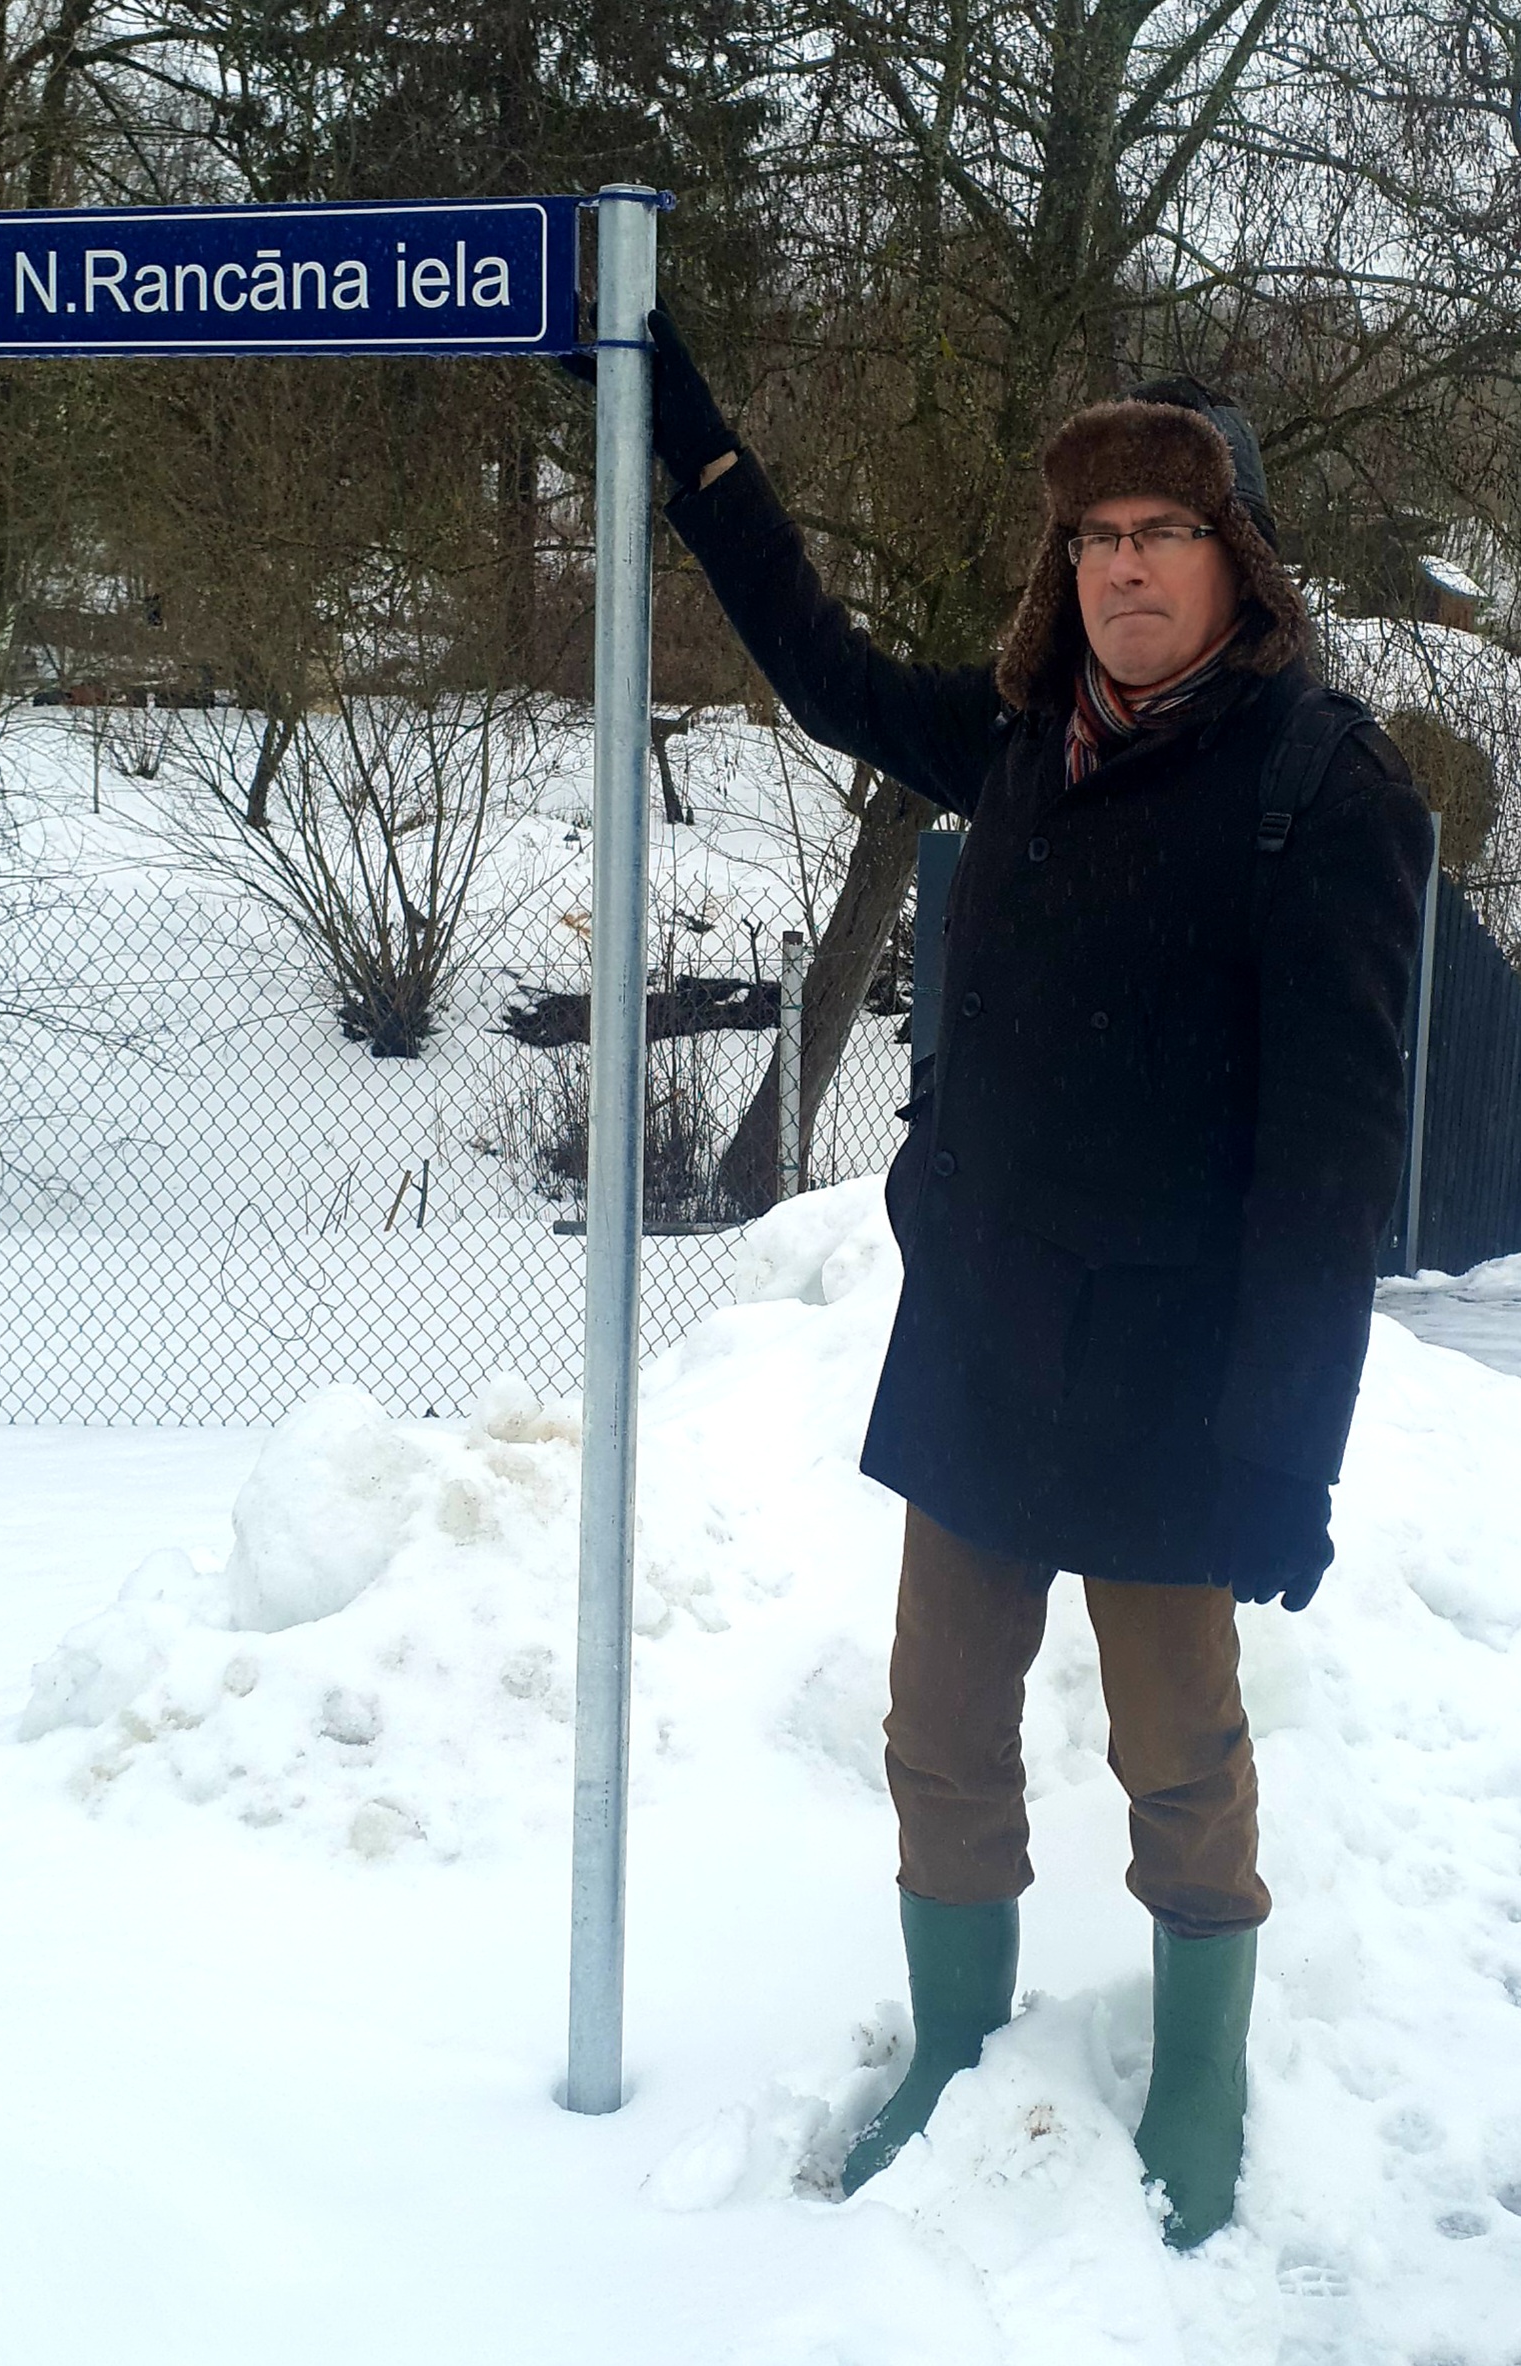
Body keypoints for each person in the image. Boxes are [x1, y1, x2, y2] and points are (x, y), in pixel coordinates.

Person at [582, 308, 1433, 2247]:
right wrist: (689, 434)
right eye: (1094, 535)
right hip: (984, 1343)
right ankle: (955, 2037)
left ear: (1237, 557)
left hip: (1172, 1379)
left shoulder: (1321, 788)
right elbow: (814, 663)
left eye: (1161, 530)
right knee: (937, 1728)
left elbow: (1327, 1178)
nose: (1121, 565)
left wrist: (1283, 1455)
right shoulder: (1015, 742)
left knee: (1177, 1749)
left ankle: (1200, 2068)